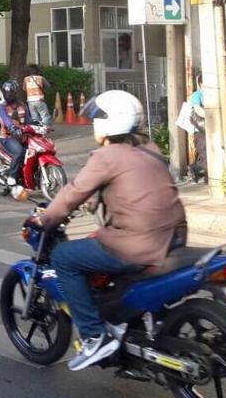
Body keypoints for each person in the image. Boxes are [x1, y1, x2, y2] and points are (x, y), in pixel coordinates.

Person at [30, 90, 186, 372]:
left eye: (97, 119)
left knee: (65, 257)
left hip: (138, 243)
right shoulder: (149, 148)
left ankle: (93, 336)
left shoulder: (107, 156)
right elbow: (123, 189)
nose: (93, 125)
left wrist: (47, 218)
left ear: (108, 123)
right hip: (174, 235)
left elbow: (74, 191)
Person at [0, 79, 32, 186]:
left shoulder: (22, 105)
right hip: (8, 136)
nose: (9, 94)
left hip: (23, 135)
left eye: (11, 92)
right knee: (19, 151)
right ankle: (12, 176)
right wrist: (12, 128)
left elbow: (29, 120)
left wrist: (38, 125)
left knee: (36, 149)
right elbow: (6, 120)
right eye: (7, 92)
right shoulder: (2, 106)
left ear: (15, 92)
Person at [189, 77, 207, 184]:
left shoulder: (210, 94)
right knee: (205, 154)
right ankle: (206, 177)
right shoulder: (197, 95)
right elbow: (197, 109)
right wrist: (209, 116)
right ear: (201, 84)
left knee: (208, 154)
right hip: (200, 130)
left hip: (210, 128)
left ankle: (196, 169)